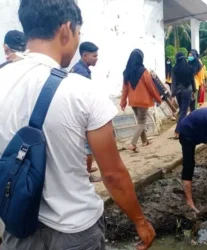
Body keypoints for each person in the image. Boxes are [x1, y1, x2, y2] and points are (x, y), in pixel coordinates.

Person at [0, 1, 155, 249]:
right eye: (78, 33)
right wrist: (140, 221)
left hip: (18, 230)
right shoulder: (81, 90)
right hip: (75, 233)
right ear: (66, 29)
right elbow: (113, 175)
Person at [120, 49, 162, 152]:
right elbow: (151, 87)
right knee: (142, 122)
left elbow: (125, 89)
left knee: (140, 121)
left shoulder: (127, 72)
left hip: (133, 102)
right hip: (143, 101)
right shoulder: (143, 71)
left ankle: (145, 141)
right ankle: (133, 144)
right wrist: (158, 98)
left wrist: (123, 101)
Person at [71, 41, 101, 183]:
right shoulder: (81, 73)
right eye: (94, 56)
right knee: (88, 147)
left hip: (77, 113)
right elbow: (83, 96)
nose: (96, 58)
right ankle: (87, 175)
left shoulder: (80, 69)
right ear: (85, 55)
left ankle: (86, 169)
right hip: (81, 114)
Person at [171, 52, 196, 139]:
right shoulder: (190, 68)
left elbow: (173, 83)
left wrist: (173, 95)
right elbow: (192, 81)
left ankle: (182, 128)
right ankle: (177, 131)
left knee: (182, 110)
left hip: (178, 92)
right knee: (183, 111)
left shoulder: (174, 69)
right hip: (187, 91)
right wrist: (194, 90)